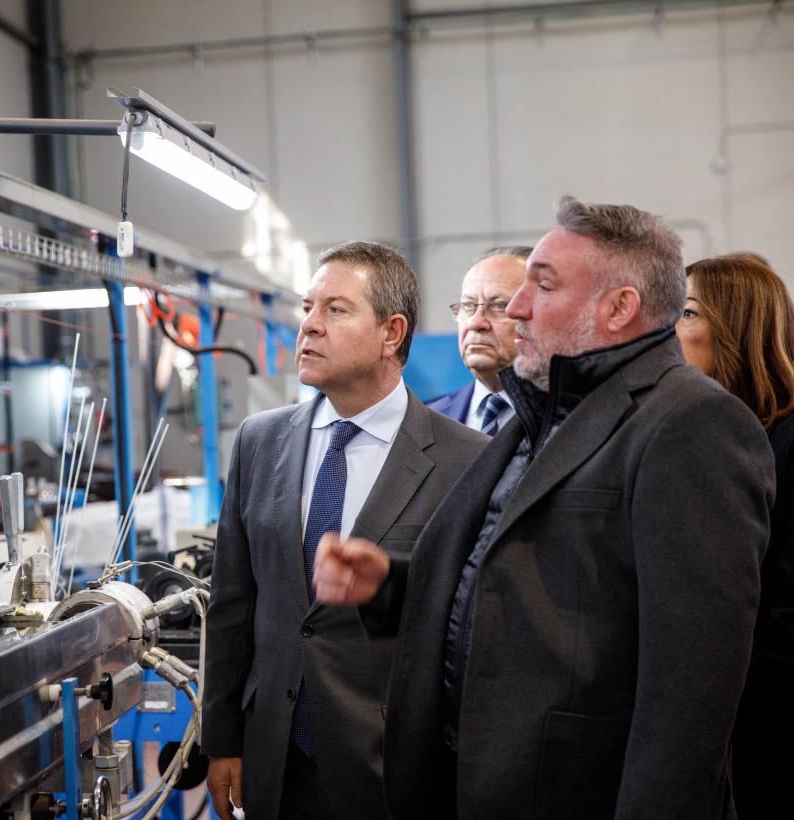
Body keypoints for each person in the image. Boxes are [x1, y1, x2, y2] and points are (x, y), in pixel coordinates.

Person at [312, 198, 775, 819]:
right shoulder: (541, 417)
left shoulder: (692, 424)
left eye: (543, 285)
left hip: (571, 792)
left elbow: (690, 695)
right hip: (476, 783)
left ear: (618, 309)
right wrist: (392, 585)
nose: (518, 306)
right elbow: (525, 585)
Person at [202, 241, 487, 820]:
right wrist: (224, 738)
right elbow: (233, 603)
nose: (308, 327)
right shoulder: (260, 441)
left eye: (335, 310)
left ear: (391, 332)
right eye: (308, 308)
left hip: (394, 768)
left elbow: (474, 628)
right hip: (274, 757)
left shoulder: (468, 461)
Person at [677, 253, 794, 820]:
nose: (670, 328)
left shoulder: (786, 439)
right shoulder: (695, 433)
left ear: (734, 325)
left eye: (688, 311)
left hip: (762, 724)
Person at [427, 246, 530, 435]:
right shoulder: (425, 423)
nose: (476, 322)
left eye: (499, 306)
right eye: (468, 306)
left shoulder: (572, 420)